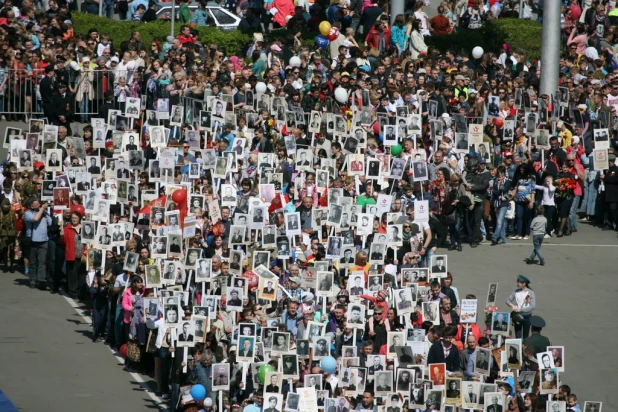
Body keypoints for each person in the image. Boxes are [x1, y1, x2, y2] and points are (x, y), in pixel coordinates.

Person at [506, 275, 536, 339]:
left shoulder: (530, 292)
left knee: (526, 336)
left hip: (527, 316)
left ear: (524, 283)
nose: (517, 283)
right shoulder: (516, 292)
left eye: (518, 282)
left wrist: (520, 310)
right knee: (518, 336)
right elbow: (507, 300)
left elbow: (532, 306)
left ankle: (524, 348)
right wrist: (512, 305)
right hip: (518, 317)